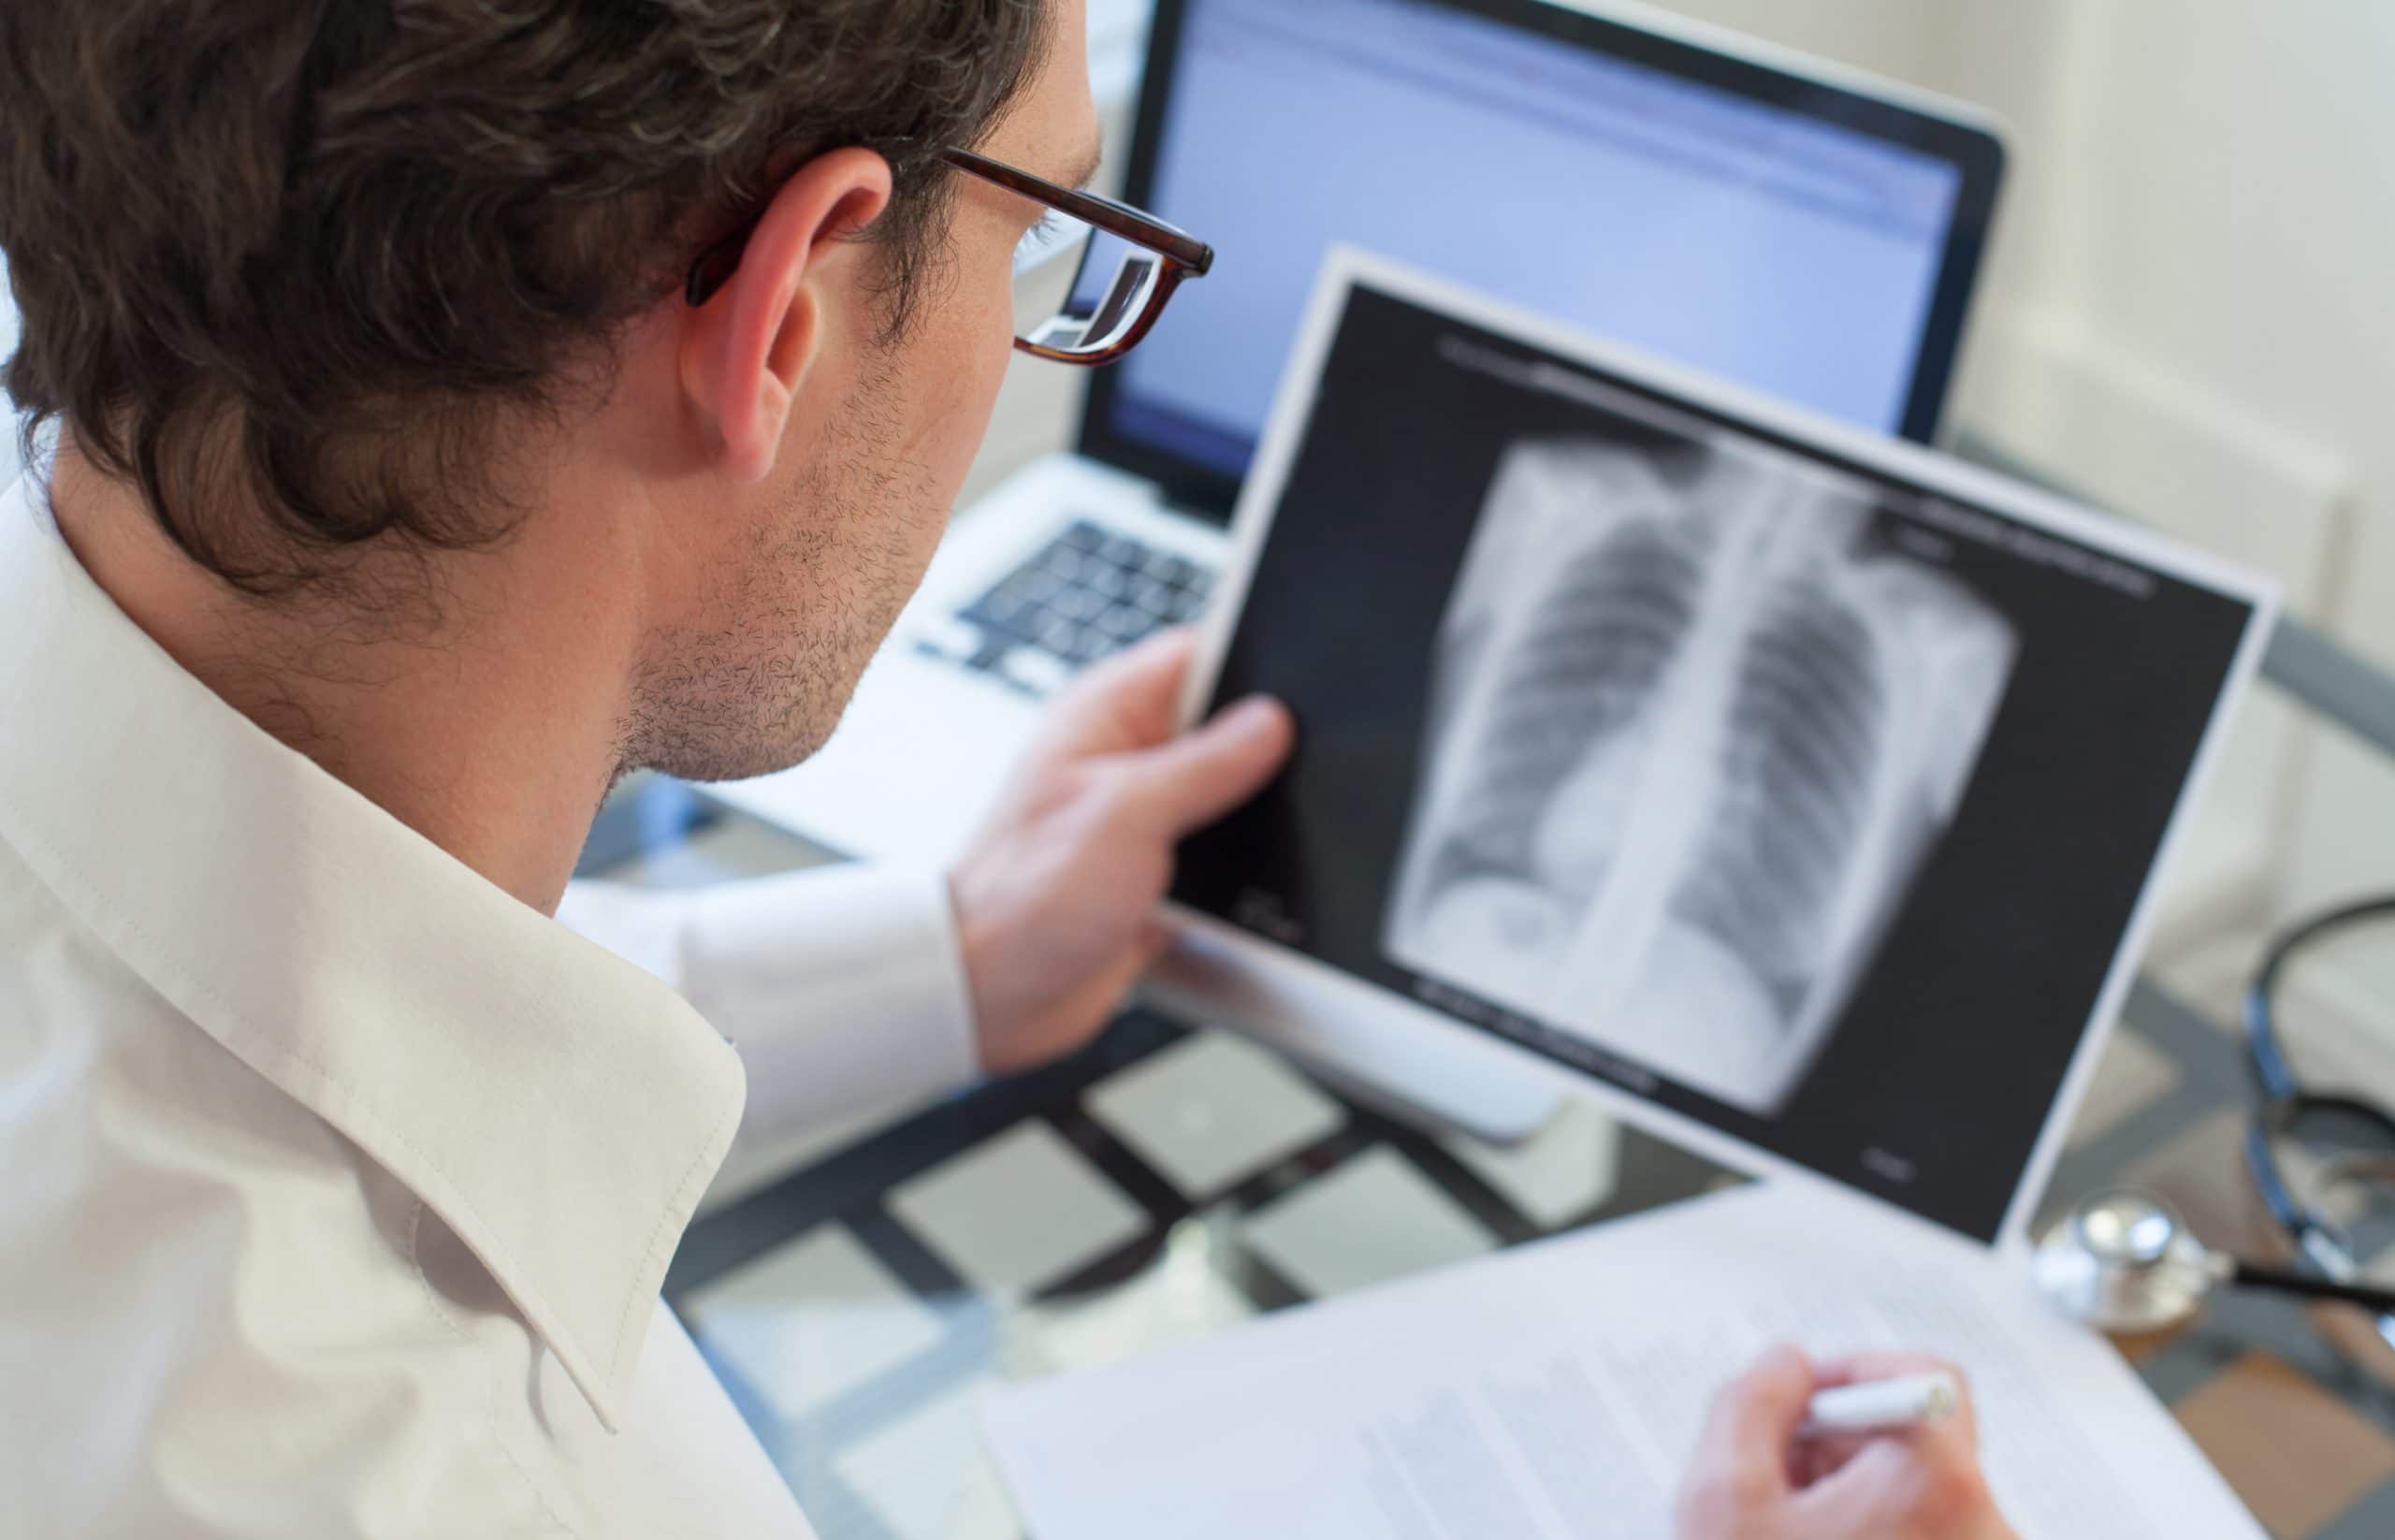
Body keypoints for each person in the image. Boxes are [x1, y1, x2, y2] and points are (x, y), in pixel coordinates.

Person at [0, 1, 2019, 1535]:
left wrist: (957, 950)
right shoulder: (406, 1468)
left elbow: (348, 1005)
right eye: (1049, 232)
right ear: (785, 311)